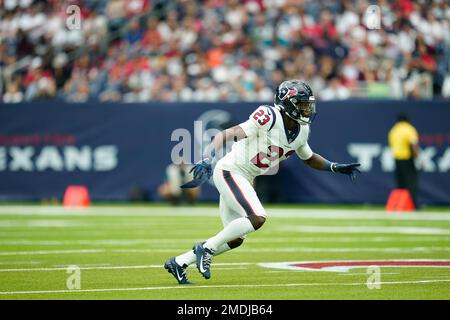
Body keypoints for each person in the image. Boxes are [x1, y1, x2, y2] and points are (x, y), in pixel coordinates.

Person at [164, 80, 361, 284]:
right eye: (302, 104)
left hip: (245, 177)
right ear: (288, 103)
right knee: (257, 217)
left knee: (235, 239)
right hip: (230, 171)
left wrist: (334, 166)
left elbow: (309, 157)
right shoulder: (269, 116)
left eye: (307, 105)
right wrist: (207, 158)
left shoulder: (301, 131)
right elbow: (227, 134)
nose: (307, 109)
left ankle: (179, 262)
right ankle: (205, 248)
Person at [388, 114, 420, 208]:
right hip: (407, 159)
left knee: (400, 184)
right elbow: (413, 144)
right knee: (411, 183)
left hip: (397, 159)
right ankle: (412, 205)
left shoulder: (394, 130)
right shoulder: (409, 129)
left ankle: (400, 205)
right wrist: (418, 157)